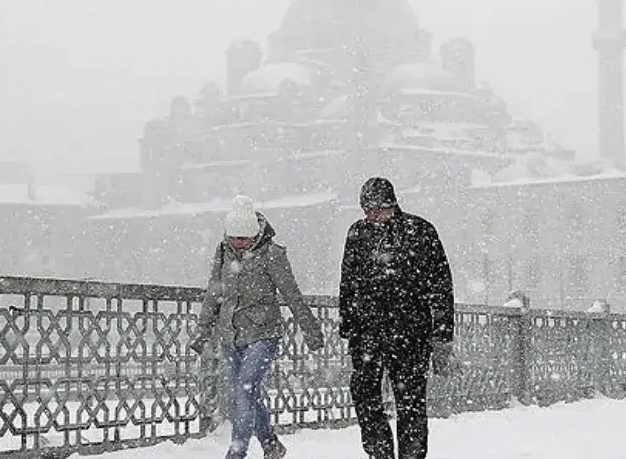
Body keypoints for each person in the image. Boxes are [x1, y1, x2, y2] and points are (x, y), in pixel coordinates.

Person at [191, 195, 326, 459]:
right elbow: (213, 294)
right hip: (230, 335)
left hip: (264, 334)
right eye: (234, 238)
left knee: (246, 388)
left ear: (255, 234)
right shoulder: (222, 252)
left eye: (244, 238)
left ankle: (237, 451)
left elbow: (291, 294)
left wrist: (311, 330)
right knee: (241, 395)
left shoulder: (272, 255)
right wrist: (203, 330)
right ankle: (271, 445)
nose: (239, 244)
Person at [340, 177, 456, 459]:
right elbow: (348, 282)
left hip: (410, 334)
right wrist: (348, 325)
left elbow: (441, 285)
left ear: (392, 205)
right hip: (367, 333)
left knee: (411, 404)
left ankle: (411, 456)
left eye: (377, 209)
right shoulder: (357, 233)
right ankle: (380, 453)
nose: (372, 216)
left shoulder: (420, 231)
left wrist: (442, 334)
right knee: (366, 396)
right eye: (366, 210)